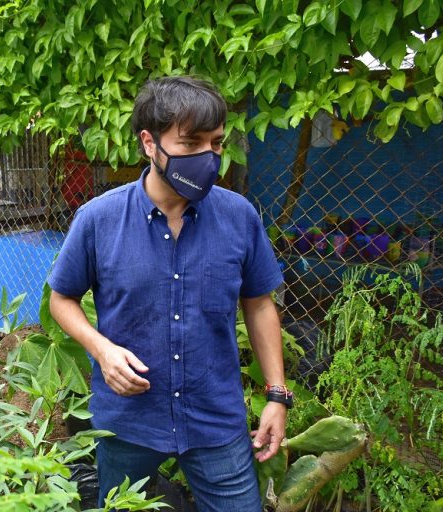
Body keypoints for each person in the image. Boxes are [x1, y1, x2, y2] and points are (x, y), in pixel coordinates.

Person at [47, 76, 289, 511]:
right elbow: (60, 299)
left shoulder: (239, 217)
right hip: (128, 423)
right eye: (190, 143)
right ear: (148, 142)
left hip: (215, 420)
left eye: (215, 144)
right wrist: (101, 349)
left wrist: (276, 394)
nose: (207, 157)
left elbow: (259, 303)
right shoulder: (98, 219)